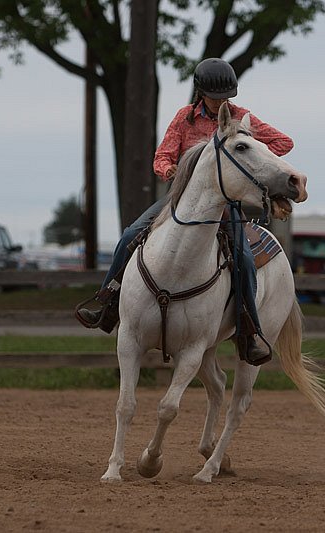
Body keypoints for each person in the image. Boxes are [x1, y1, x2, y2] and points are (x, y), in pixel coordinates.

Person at [75, 57, 294, 365]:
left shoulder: (241, 119)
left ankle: (248, 328)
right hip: (181, 198)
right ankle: (108, 301)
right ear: (200, 93)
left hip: (224, 202)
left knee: (244, 257)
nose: (221, 102)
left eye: (226, 96)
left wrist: (250, 151)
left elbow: (283, 143)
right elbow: (161, 156)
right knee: (130, 234)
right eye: (215, 96)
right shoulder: (184, 119)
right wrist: (169, 170)